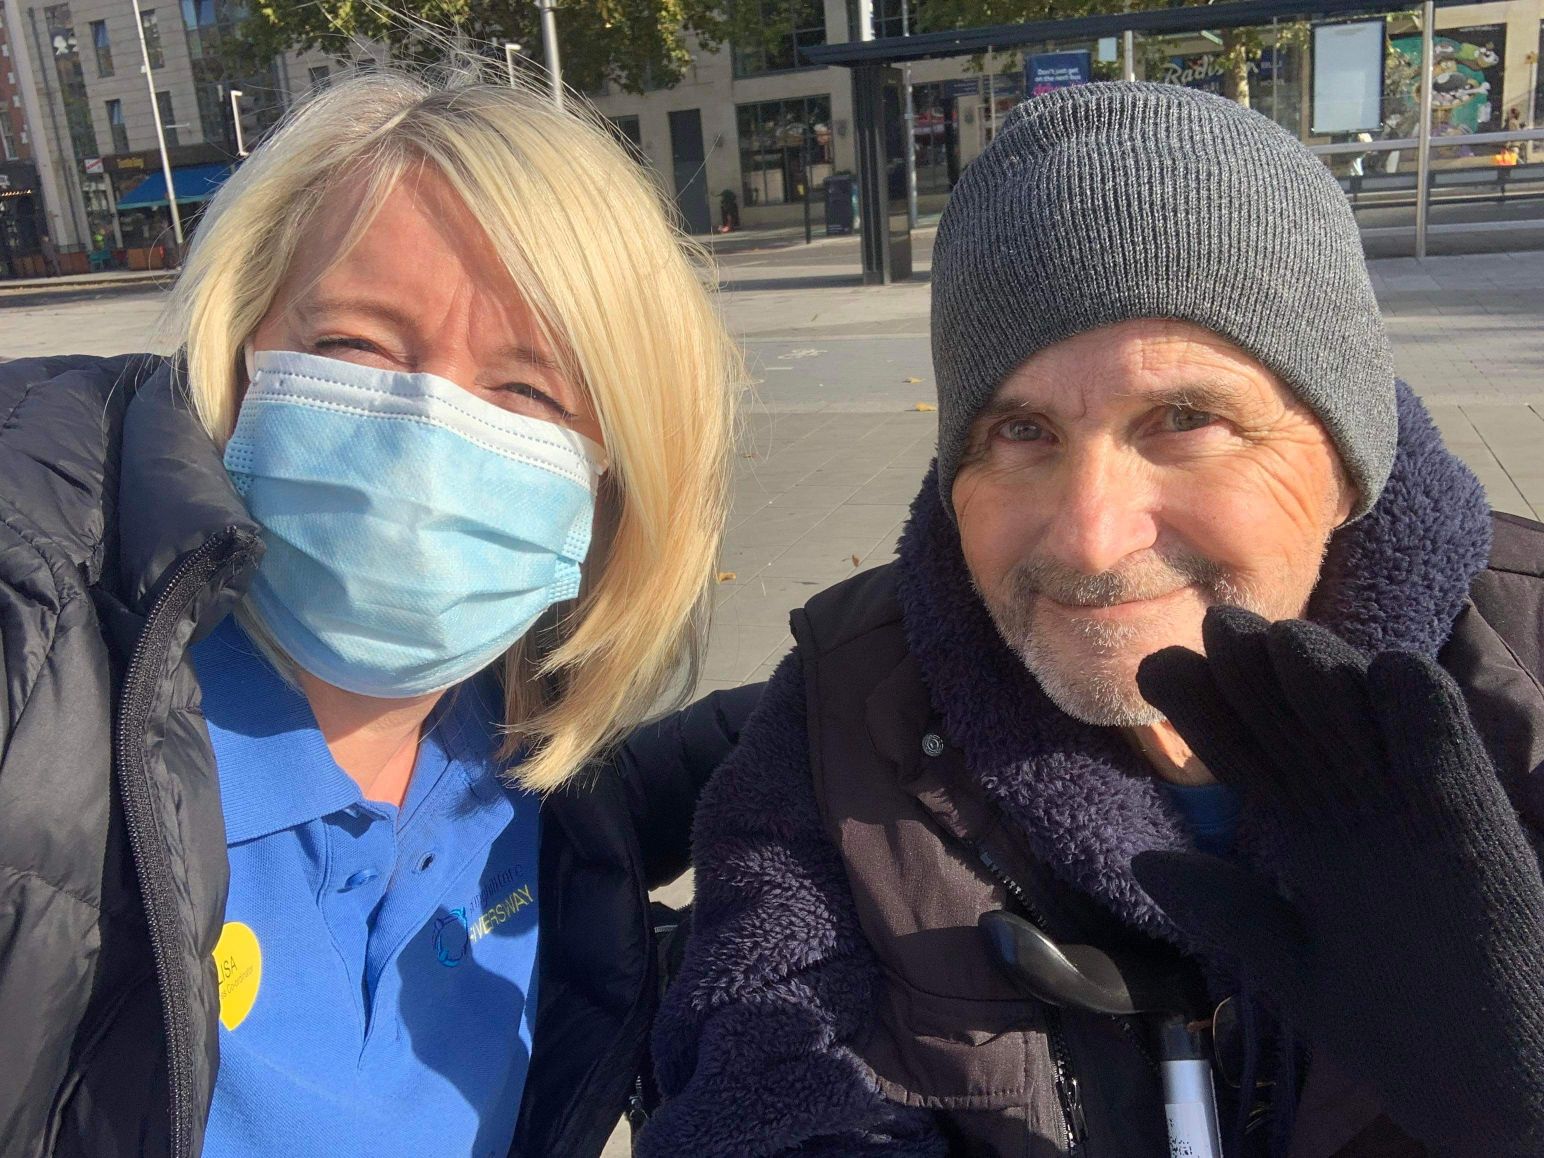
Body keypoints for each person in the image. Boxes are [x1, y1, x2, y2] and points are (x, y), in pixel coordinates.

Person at [640, 83, 1544, 1158]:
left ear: (1349, 458)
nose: (1089, 538)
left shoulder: (1523, 666)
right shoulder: (843, 717)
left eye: (1185, 419)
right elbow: (761, 1080)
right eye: (1020, 431)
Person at [0, 66, 751, 1157]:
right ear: (236, 353)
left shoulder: (519, 766)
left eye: (528, 389)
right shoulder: (33, 726)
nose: (422, 439)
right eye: (356, 344)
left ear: (613, 482)